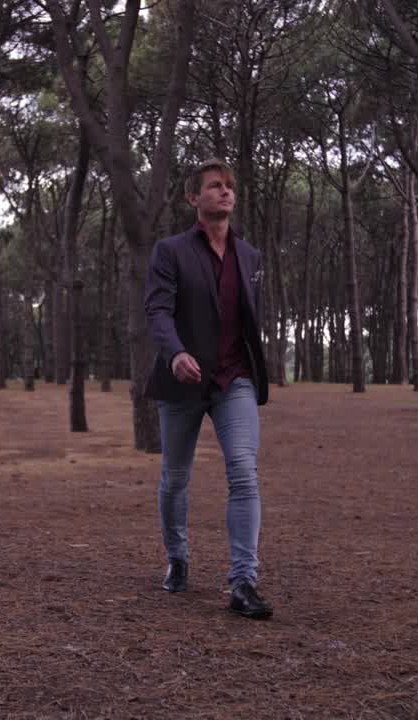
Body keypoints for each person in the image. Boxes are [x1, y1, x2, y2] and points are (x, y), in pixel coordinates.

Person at [143, 158, 272, 619]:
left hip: (234, 378)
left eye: (229, 185)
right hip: (182, 379)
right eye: (215, 186)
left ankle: (243, 582)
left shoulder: (250, 256)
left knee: (244, 472)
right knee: (176, 477)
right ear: (193, 198)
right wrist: (175, 353)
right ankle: (177, 557)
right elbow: (158, 310)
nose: (225, 191)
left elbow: (249, 319)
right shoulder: (170, 251)